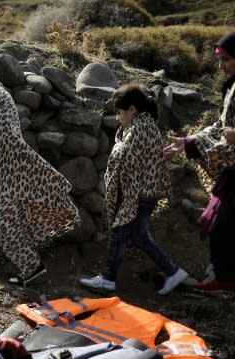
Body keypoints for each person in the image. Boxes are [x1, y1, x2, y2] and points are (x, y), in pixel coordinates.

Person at [0, 57, 80, 286]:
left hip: (7, 173)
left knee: (5, 221)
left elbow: (3, 134)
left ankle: (32, 267)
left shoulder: (0, 99)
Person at [79, 85, 189, 295]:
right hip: (145, 192)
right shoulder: (145, 126)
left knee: (120, 232)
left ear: (131, 109)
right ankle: (172, 271)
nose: (118, 118)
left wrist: (127, 200)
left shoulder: (138, 129)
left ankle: (108, 279)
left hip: (137, 193)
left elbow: (129, 165)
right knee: (138, 236)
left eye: (120, 112)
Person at [164, 30, 235, 292]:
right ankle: (225, 275)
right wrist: (189, 142)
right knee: (222, 222)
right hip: (232, 169)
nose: (221, 66)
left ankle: (226, 279)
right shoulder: (231, 86)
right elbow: (221, 125)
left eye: (227, 59)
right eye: (220, 59)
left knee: (224, 223)